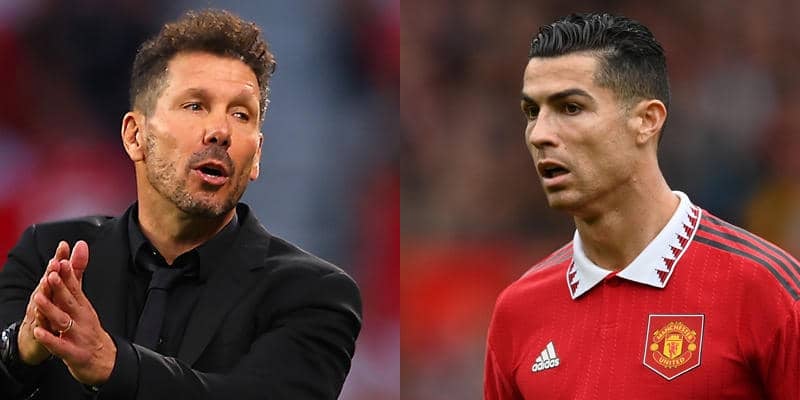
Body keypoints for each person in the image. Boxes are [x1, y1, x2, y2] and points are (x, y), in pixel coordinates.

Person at [0, 9, 361, 400]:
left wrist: (112, 364)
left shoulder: (313, 294)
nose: (220, 131)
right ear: (135, 136)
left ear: (257, 155)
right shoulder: (46, 257)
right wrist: (20, 352)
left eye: (241, 114)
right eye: (195, 106)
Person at [484, 12, 799, 399]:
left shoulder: (766, 289)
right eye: (532, 112)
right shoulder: (518, 311)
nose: (540, 134)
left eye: (570, 108)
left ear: (647, 120)